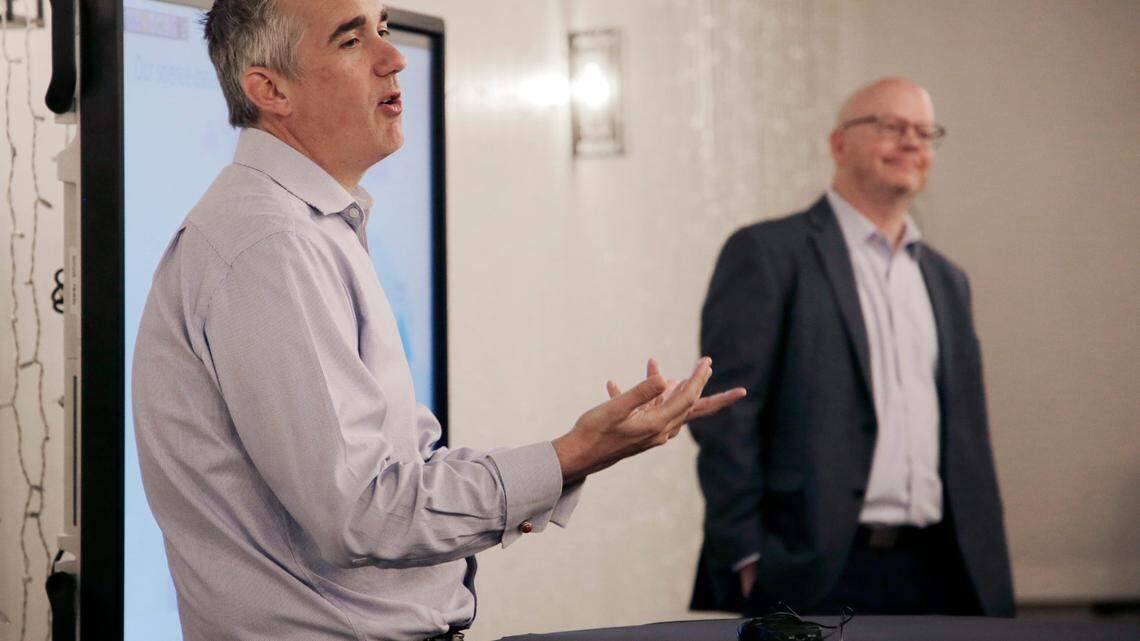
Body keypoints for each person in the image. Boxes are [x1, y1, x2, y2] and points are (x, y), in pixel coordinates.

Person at [130, 2, 744, 640]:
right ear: (270, 89)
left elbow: (400, 474)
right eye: (351, 39)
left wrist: (581, 453)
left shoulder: (310, 228)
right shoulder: (270, 245)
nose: (392, 58)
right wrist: (574, 453)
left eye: (385, 30)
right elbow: (362, 514)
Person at [688, 77, 1015, 617]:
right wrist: (747, 555)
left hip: (944, 568)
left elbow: (967, 439)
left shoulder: (946, 279)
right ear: (839, 144)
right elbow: (727, 415)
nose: (912, 142)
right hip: (816, 569)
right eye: (891, 126)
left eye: (925, 132)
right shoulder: (768, 254)